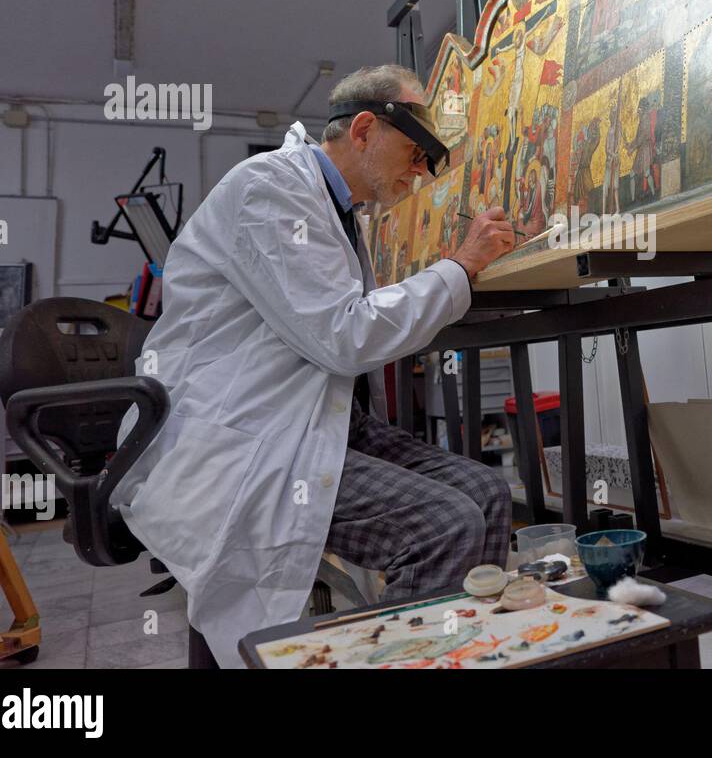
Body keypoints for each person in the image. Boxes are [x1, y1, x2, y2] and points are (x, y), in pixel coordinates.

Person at [110, 65, 517, 668]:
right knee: (445, 526)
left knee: (485, 491)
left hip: (306, 420)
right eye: (416, 150)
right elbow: (343, 334)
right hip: (239, 438)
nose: (421, 171)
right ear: (362, 129)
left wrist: (452, 275)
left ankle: (453, 654)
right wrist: (458, 267)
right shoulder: (269, 189)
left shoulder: (334, 210)